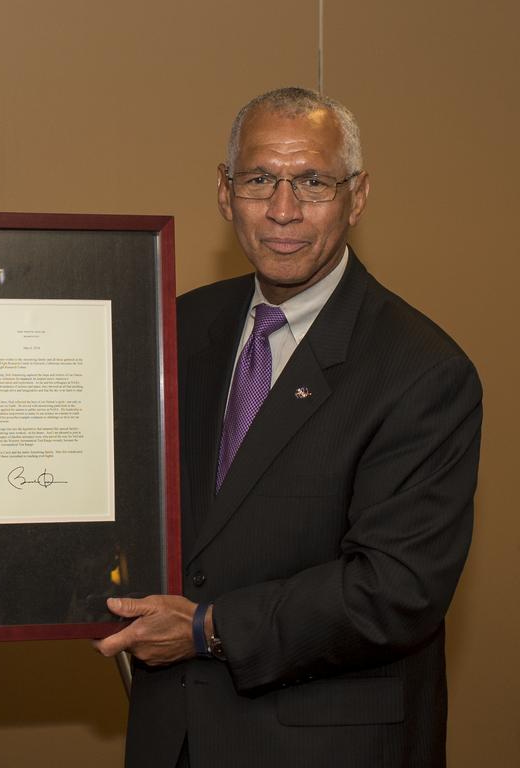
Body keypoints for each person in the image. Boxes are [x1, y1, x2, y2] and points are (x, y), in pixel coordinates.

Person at [95, 87, 482, 767]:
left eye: (312, 181)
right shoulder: (175, 329)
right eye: (259, 180)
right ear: (225, 193)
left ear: (357, 197)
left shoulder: (422, 371)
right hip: (176, 738)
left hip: (325, 748)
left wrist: (207, 629)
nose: (282, 209)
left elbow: (395, 590)